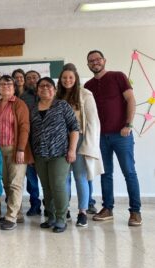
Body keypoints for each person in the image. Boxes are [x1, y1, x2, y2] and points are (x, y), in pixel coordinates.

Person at [84, 50, 142, 226]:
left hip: (121, 135)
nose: (95, 62)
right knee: (105, 173)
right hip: (99, 137)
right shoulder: (87, 86)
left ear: (104, 60)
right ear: (88, 65)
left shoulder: (118, 76)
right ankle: (107, 208)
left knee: (129, 172)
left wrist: (128, 125)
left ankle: (135, 211)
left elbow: (131, 99)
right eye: (91, 61)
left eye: (97, 59)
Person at [56, 64, 103, 227]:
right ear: (60, 79)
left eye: (70, 77)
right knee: (63, 178)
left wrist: (89, 145)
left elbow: (93, 122)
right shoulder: (57, 96)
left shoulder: (85, 94)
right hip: (61, 141)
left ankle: (82, 211)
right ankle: (65, 209)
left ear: (75, 79)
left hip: (81, 140)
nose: (67, 80)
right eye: (64, 77)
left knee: (80, 177)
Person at [30, 77, 79, 233]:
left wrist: (72, 150)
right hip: (39, 154)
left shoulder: (62, 105)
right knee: (46, 187)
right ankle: (50, 217)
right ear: (37, 90)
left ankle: (61, 219)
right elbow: (30, 133)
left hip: (60, 153)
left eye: (49, 86)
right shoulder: (32, 108)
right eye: (42, 86)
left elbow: (74, 128)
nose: (45, 88)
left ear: (55, 89)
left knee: (58, 186)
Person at [0, 75, 33, 230]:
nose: (5, 86)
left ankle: (10, 217)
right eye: (2, 84)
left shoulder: (19, 104)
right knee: (7, 184)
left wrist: (21, 149)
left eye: (9, 84)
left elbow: (24, 127)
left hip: (15, 149)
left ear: (14, 87)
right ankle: (18, 213)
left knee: (15, 184)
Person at [20, 70, 42, 216]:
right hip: (28, 142)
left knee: (49, 177)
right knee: (31, 177)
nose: (32, 80)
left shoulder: (48, 95)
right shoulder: (22, 98)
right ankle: (35, 204)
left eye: (34, 77)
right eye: (28, 78)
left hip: (46, 143)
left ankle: (51, 205)